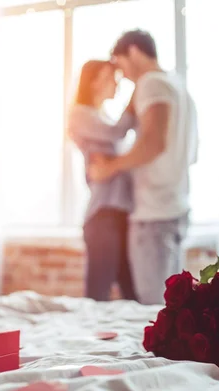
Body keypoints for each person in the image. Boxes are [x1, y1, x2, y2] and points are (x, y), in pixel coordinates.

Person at [88, 30, 198, 305]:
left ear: (134, 52)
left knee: (151, 308)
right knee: (171, 306)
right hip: (176, 207)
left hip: (153, 215)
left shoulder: (151, 83)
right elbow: (192, 152)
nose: (123, 76)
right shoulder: (179, 86)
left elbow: (152, 142)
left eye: (121, 64)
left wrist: (110, 168)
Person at [67, 60, 138, 301]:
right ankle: (90, 339)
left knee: (130, 292)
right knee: (99, 294)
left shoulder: (105, 116)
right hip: (103, 215)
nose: (117, 84)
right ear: (94, 81)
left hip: (122, 214)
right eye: (112, 78)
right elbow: (115, 133)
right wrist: (136, 98)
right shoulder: (80, 114)